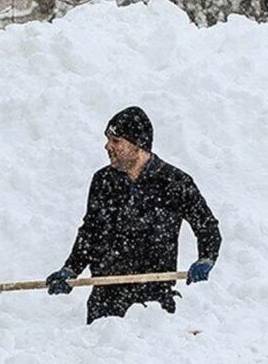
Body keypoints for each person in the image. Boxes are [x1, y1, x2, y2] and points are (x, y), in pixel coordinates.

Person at [46, 106, 222, 324]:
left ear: (138, 145)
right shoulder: (103, 182)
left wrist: (206, 257)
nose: (107, 146)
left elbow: (206, 225)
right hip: (105, 301)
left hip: (153, 305)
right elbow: (90, 232)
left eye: (116, 141)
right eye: (108, 139)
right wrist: (71, 268)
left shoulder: (174, 182)